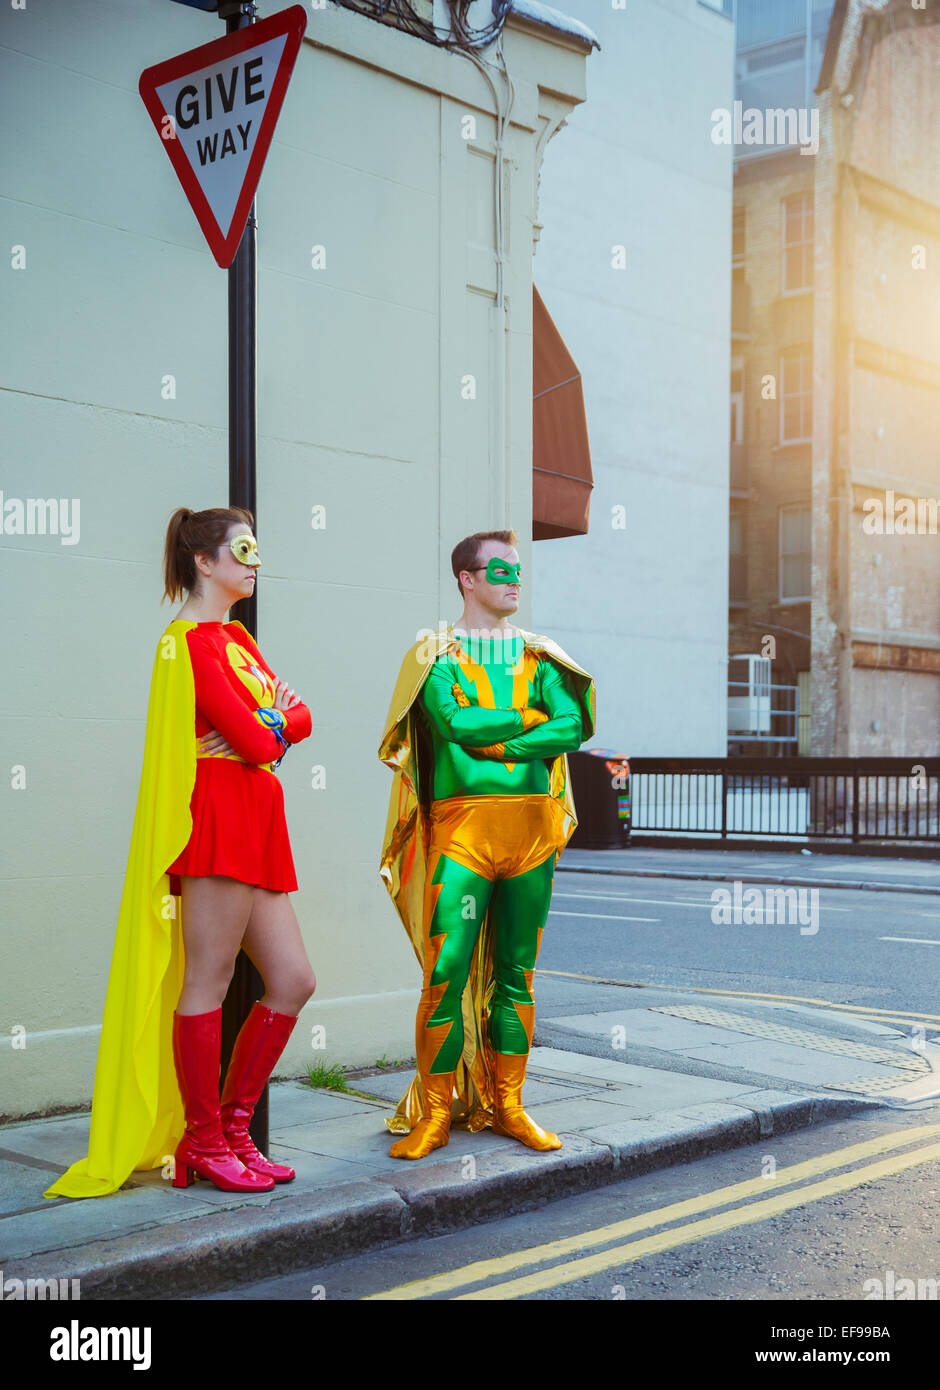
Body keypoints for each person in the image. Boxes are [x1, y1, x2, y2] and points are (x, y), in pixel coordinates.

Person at [44, 507, 316, 1199]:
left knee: (293, 980)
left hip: (258, 819)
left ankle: (231, 1130)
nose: (255, 563)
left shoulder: (236, 642)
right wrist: (271, 726)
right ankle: (202, 1141)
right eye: (243, 551)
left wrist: (270, 725)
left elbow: (299, 718)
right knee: (209, 979)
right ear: (204, 561)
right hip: (219, 817)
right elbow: (263, 742)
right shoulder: (190, 643)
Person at [378, 529, 595, 1159]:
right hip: (461, 834)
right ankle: (436, 1112)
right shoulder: (434, 653)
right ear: (466, 579)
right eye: (499, 570)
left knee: (517, 976)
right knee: (444, 974)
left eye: (517, 571)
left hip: (530, 834)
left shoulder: (541, 655)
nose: (513, 580)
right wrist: (530, 720)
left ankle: (510, 1106)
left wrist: (504, 744)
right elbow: (453, 722)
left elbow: (573, 724)